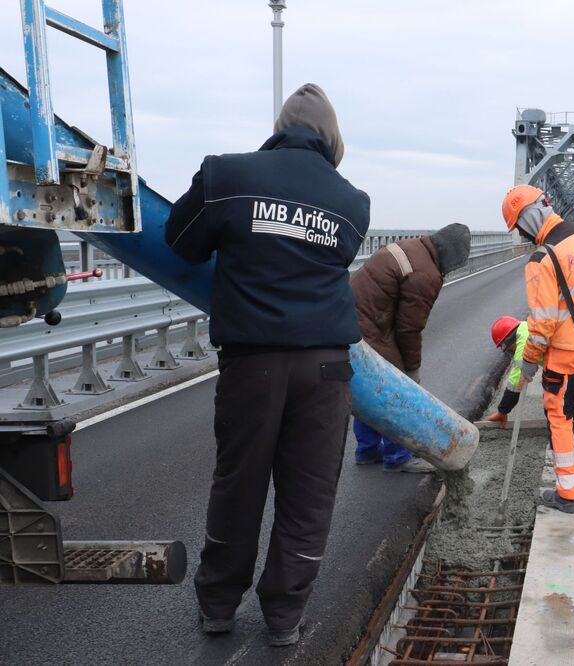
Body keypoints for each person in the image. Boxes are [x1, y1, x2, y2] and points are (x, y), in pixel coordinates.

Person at [165, 84, 368, 646]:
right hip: (327, 368)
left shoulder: (227, 175)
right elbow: (336, 258)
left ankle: (217, 607)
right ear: (332, 138)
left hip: (251, 363)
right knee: (309, 496)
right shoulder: (352, 203)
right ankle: (284, 618)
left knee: (239, 486)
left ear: (280, 128)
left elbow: (181, 241)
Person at [500, 184, 574, 512]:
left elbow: (542, 323)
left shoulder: (542, 258)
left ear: (528, 217)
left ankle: (567, 493)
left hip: (565, 351)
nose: (523, 235)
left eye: (520, 227)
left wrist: (529, 360)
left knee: (560, 417)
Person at [350, 223, 472, 472]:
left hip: (350, 318)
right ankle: (397, 457)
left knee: (370, 384)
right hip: (372, 325)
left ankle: (367, 449)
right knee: (393, 389)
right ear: (451, 257)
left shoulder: (412, 247)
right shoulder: (426, 275)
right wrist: (411, 370)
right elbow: (409, 329)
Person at [486, 316, 574, 462]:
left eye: (509, 349)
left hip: (565, 362)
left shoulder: (522, 343)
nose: (510, 352)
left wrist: (503, 411)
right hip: (573, 355)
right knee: (571, 398)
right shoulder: (525, 327)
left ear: (508, 341)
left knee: (560, 405)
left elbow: (516, 382)